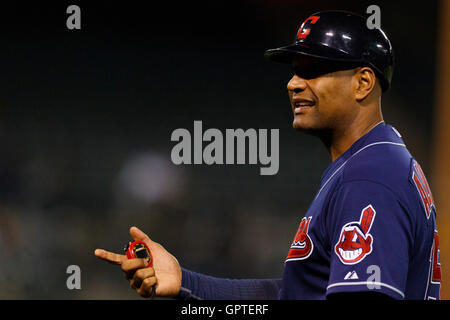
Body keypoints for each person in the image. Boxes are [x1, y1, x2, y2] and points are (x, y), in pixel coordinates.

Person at [94, 10, 441, 300]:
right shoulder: (371, 162)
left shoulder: (370, 176)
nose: (293, 83)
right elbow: (294, 295)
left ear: (363, 83)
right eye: (294, 69)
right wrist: (186, 283)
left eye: (313, 69)